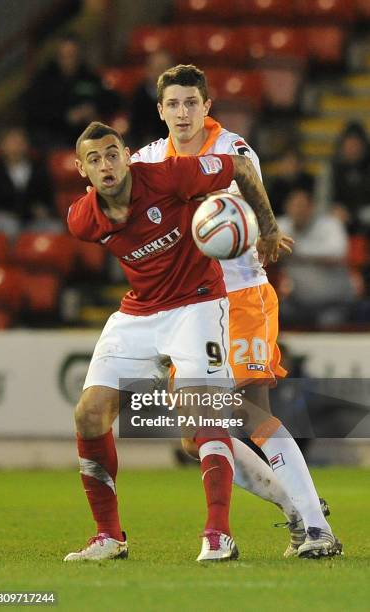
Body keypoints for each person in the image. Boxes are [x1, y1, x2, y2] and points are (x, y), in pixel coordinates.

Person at [132, 64, 341, 559]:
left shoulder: (233, 150)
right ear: (160, 111)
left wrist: (266, 230)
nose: (183, 112)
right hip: (189, 306)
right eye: (173, 104)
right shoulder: (149, 158)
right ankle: (297, 510)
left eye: (191, 102)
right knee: (194, 435)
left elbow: (246, 199)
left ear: (207, 107)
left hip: (241, 293)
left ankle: (316, 528)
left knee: (251, 411)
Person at [64, 121, 288, 562]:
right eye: (94, 159)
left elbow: (241, 166)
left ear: (128, 156)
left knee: (202, 413)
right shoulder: (82, 220)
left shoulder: (170, 175)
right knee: (89, 414)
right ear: (81, 170)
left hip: (198, 303)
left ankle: (218, 533)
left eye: (112, 154)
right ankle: (109, 536)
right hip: (140, 312)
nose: (106, 165)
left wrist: (267, 228)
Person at [24, 33, 123, 147]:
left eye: (72, 55)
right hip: (54, 137)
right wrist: (66, 116)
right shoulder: (44, 80)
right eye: (64, 56)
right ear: (57, 56)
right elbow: (34, 111)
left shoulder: (89, 77)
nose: (68, 61)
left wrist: (92, 108)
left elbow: (112, 100)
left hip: (86, 136)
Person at [277, 188, 357, 329]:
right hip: (295, 302)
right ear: (287, 207)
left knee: (330, 323)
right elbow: (264, 251)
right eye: (294, 206)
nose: (298, 210)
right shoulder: (281, 226)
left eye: (302, 206)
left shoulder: (330, 225)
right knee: (274, 315)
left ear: (312, 207)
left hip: (333, 303)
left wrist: (297, 250)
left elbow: (337, 253)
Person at [0, 126, 61, 237]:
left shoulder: (38, 168)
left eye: (21, 141)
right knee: (10, 226)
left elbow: (47, 198)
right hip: (5, 217)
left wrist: (45, 210)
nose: (17, 145)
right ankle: (14, 254)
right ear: (3, 145)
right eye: (13, 141)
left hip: (32, 219)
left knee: (55, 227)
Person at [128, 49, 174, 149]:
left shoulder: (184, 95)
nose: (160, 73)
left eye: (164, 68)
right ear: (148, 70)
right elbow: (134, 130)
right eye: (156, 68)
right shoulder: (138, 96)